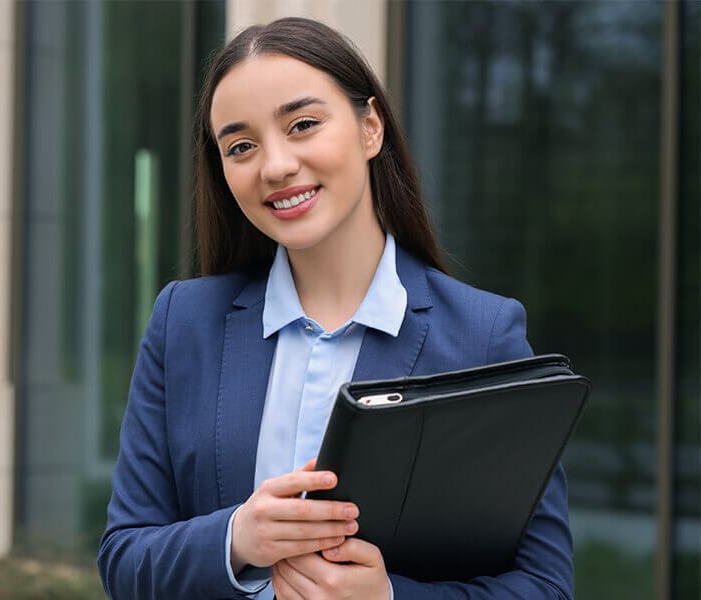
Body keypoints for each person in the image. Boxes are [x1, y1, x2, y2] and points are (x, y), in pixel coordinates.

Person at [97, 16, 573, 600]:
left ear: (370, 127)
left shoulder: (483, 335)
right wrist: (235, 539)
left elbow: (545, 587)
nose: (274, 166)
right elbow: (124, 559)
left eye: (302, 125)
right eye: (241, 145)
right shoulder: (184, 323)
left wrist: (389, 598)